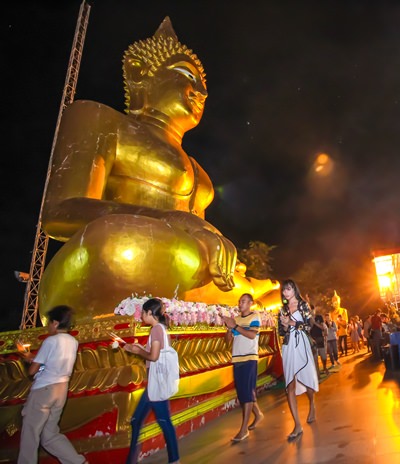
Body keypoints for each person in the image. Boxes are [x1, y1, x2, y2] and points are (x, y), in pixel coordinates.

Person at [37, 17, 279, 323]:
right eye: (185, 74)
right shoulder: (99, 119)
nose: (201, 91)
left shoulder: (197, 168)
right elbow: (59, 212)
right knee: (118, 243)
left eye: (204, 85)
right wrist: (168, 217)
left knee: (217, 268)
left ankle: (239, 300)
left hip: (176, 265)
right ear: (139, 72)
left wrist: (219, 254)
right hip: (116, 253)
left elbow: (194, 245)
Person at [18, 306, 87, 464]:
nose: (48, 327)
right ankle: (77, 462)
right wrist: (33, 358)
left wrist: (28, 360)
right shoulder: (73, 342)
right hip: (61, 390)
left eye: (49, 323)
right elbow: (52, 364)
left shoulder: (50, 341)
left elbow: (33, 371)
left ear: (55, 323)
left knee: (30, 433)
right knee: (49, 435)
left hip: (44, 391)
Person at [124, 298, 179, 464]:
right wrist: (138, 349)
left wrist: (138, 351)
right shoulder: (159, 328)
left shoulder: (156, 329)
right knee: (136, 420)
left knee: (164, 421)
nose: (141, 316)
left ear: (150, 313)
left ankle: (174, 459)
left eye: (143, 313)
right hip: (153, 384)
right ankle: (131, 459)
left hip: (157, 384)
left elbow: (153, 357)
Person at [277, 280, 319, 440]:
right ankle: (297, 425)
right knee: (290, 385)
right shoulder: (282, 309)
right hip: (288, 347)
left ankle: (312, 404)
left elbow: (309, 326)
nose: (286, 293)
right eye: (284, 290)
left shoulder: (303, 305)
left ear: (294, 289)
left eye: (289, 289)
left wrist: (293, 322)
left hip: (301, 345)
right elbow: (281, 331)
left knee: (307, 379)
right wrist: (285, 325)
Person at [223, 293, 264, 443]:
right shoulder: (237, 319)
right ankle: (258, 414)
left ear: (251, 303)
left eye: (244, 301)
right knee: (243, 392)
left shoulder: (255, 316)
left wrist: (235, 326)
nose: (240, 304)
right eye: (240, 301)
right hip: (237, 358)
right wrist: (229, 328)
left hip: (249, 358)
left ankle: (243, 429)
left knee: (246, 394)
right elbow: (228, 342)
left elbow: (252, 335)